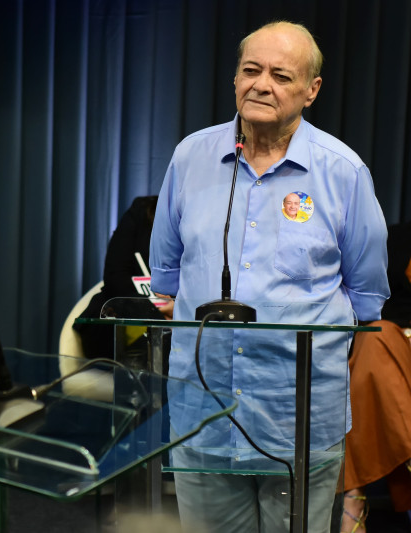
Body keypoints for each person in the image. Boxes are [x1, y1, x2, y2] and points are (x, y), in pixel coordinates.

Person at [149, 21, 389, 533]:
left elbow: (366, 296)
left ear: (311, 91)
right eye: (250, 70)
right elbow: (165, 271)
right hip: (203, 414)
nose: (261, 85)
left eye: (281, 75)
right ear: (234, 78)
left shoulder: (343, 172)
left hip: (296, 418)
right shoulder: (191, 157)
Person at [342, 220, 411, 532]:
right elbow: (370, 303)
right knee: (376, 338)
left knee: (374, 355)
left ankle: (352, 499)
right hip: (396, 340)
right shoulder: (396, 237)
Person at [72, 195, 173, 362]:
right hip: (118, 321)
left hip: (176, 327)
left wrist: (180, 308)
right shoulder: (142, 211)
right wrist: (156, 315)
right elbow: (115, 276)